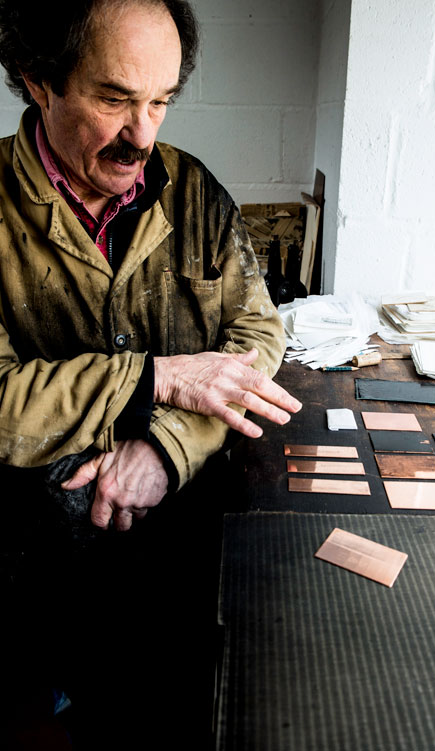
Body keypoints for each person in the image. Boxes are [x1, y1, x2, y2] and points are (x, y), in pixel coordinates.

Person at [0, 0, 301, 747]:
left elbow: (258, 331)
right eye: (114, 99)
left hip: (185, 559)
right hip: (41, 579)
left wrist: (166, 447)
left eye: (161, 100)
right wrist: (156, 377)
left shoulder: (191, 190)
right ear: (40, 82)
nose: (144, 135)